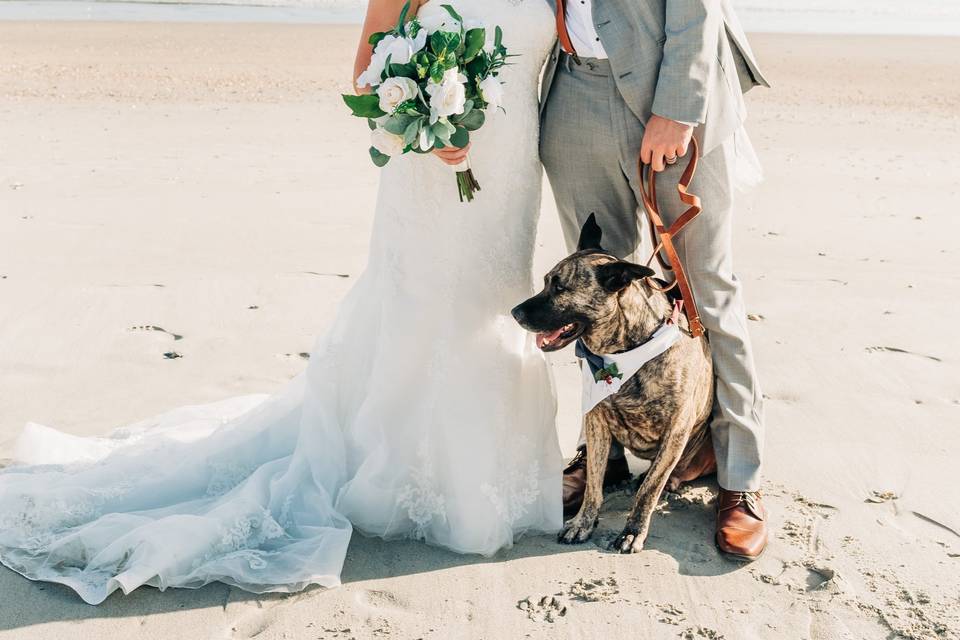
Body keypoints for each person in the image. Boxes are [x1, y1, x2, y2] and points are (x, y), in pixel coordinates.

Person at [0, 0, 563, 604]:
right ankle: (406, 473)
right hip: (429, 174)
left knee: (494, 307)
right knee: (424, 309)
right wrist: (427, 127)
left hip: (509, 175)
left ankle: (487, 470)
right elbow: (368, 73)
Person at [539, 0, 771, 560]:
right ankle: (603, 453)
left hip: (667, 88)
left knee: (704, 287)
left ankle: (737, 470)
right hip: (574, 93)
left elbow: (697, 10)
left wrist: (680, 107)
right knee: (590, 296)